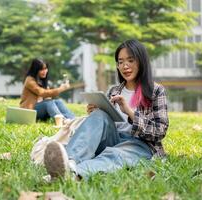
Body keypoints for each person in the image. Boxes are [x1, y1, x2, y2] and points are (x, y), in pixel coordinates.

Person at [43, 39, 169, 179]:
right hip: (114, 138)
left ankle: (73, 173)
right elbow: (107, 121)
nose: (125, 66)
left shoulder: (156, 91)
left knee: (115, 155)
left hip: (140, 145)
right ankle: (68, 161)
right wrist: (96, 114)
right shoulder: (114, 91)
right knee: (100, 115)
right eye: (120, 62)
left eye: (130, 60)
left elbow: (160, 131)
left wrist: (129, 112)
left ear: (141, 61)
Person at [20, 58, 75, 125]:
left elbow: (48, 96)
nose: (45, 71)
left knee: (58, 101)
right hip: (29, 112)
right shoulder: (29, 80)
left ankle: (73, 120)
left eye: (46, 69)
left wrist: (50, 97)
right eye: (41, 69)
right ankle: (63, 121)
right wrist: (61, 89)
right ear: (35, 70)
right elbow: (42, 93)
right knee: (48, 103)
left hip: (41, 111)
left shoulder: (42, 80)